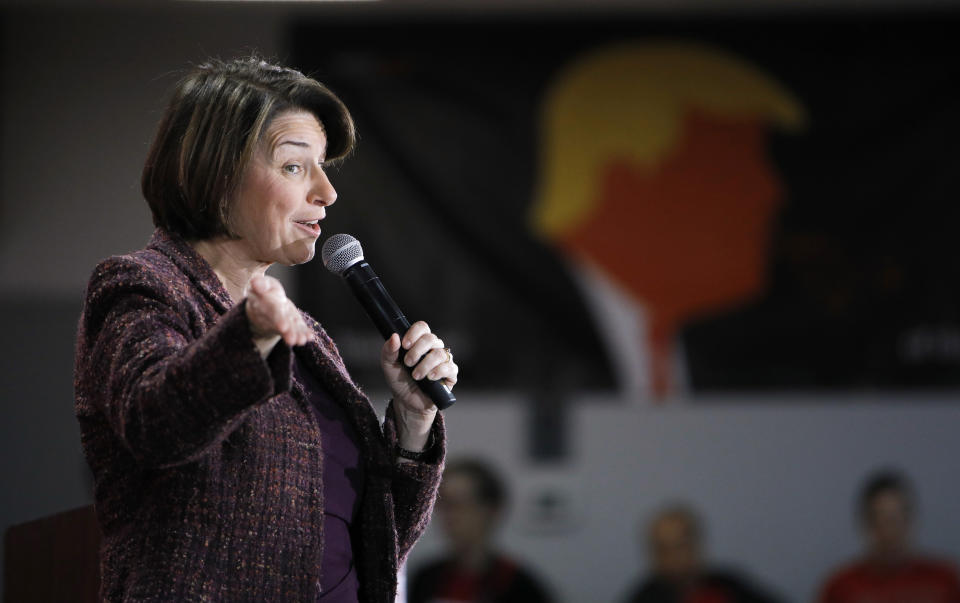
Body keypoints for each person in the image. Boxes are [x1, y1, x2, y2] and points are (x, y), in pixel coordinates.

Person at [73, 56, 459, 602]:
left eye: (324, 167)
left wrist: (413, 423)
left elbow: (377, 541)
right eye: (295, 166)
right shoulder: (143, 286)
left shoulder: (311, 337)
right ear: (216, 172)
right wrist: (248, 336)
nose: (327, 192)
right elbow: (155, 425)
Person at [408, 459, 553, 603]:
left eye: (458, 504)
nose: (448, 516)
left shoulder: (518, 586)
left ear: (490, 510)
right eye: (443, 504)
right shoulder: (426, 579)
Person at [817, 470, 960, 603]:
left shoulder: (945, 580)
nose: (891, 531)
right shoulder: (841, 587)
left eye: (897, 519)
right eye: (882, 520)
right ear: (866, 523)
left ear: (911, 520)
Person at [622, 504, 781, 603]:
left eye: (679, 546)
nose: (672, 558)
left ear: (697, 545)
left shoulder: (729, 586)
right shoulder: (643, 598)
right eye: (662, 549)